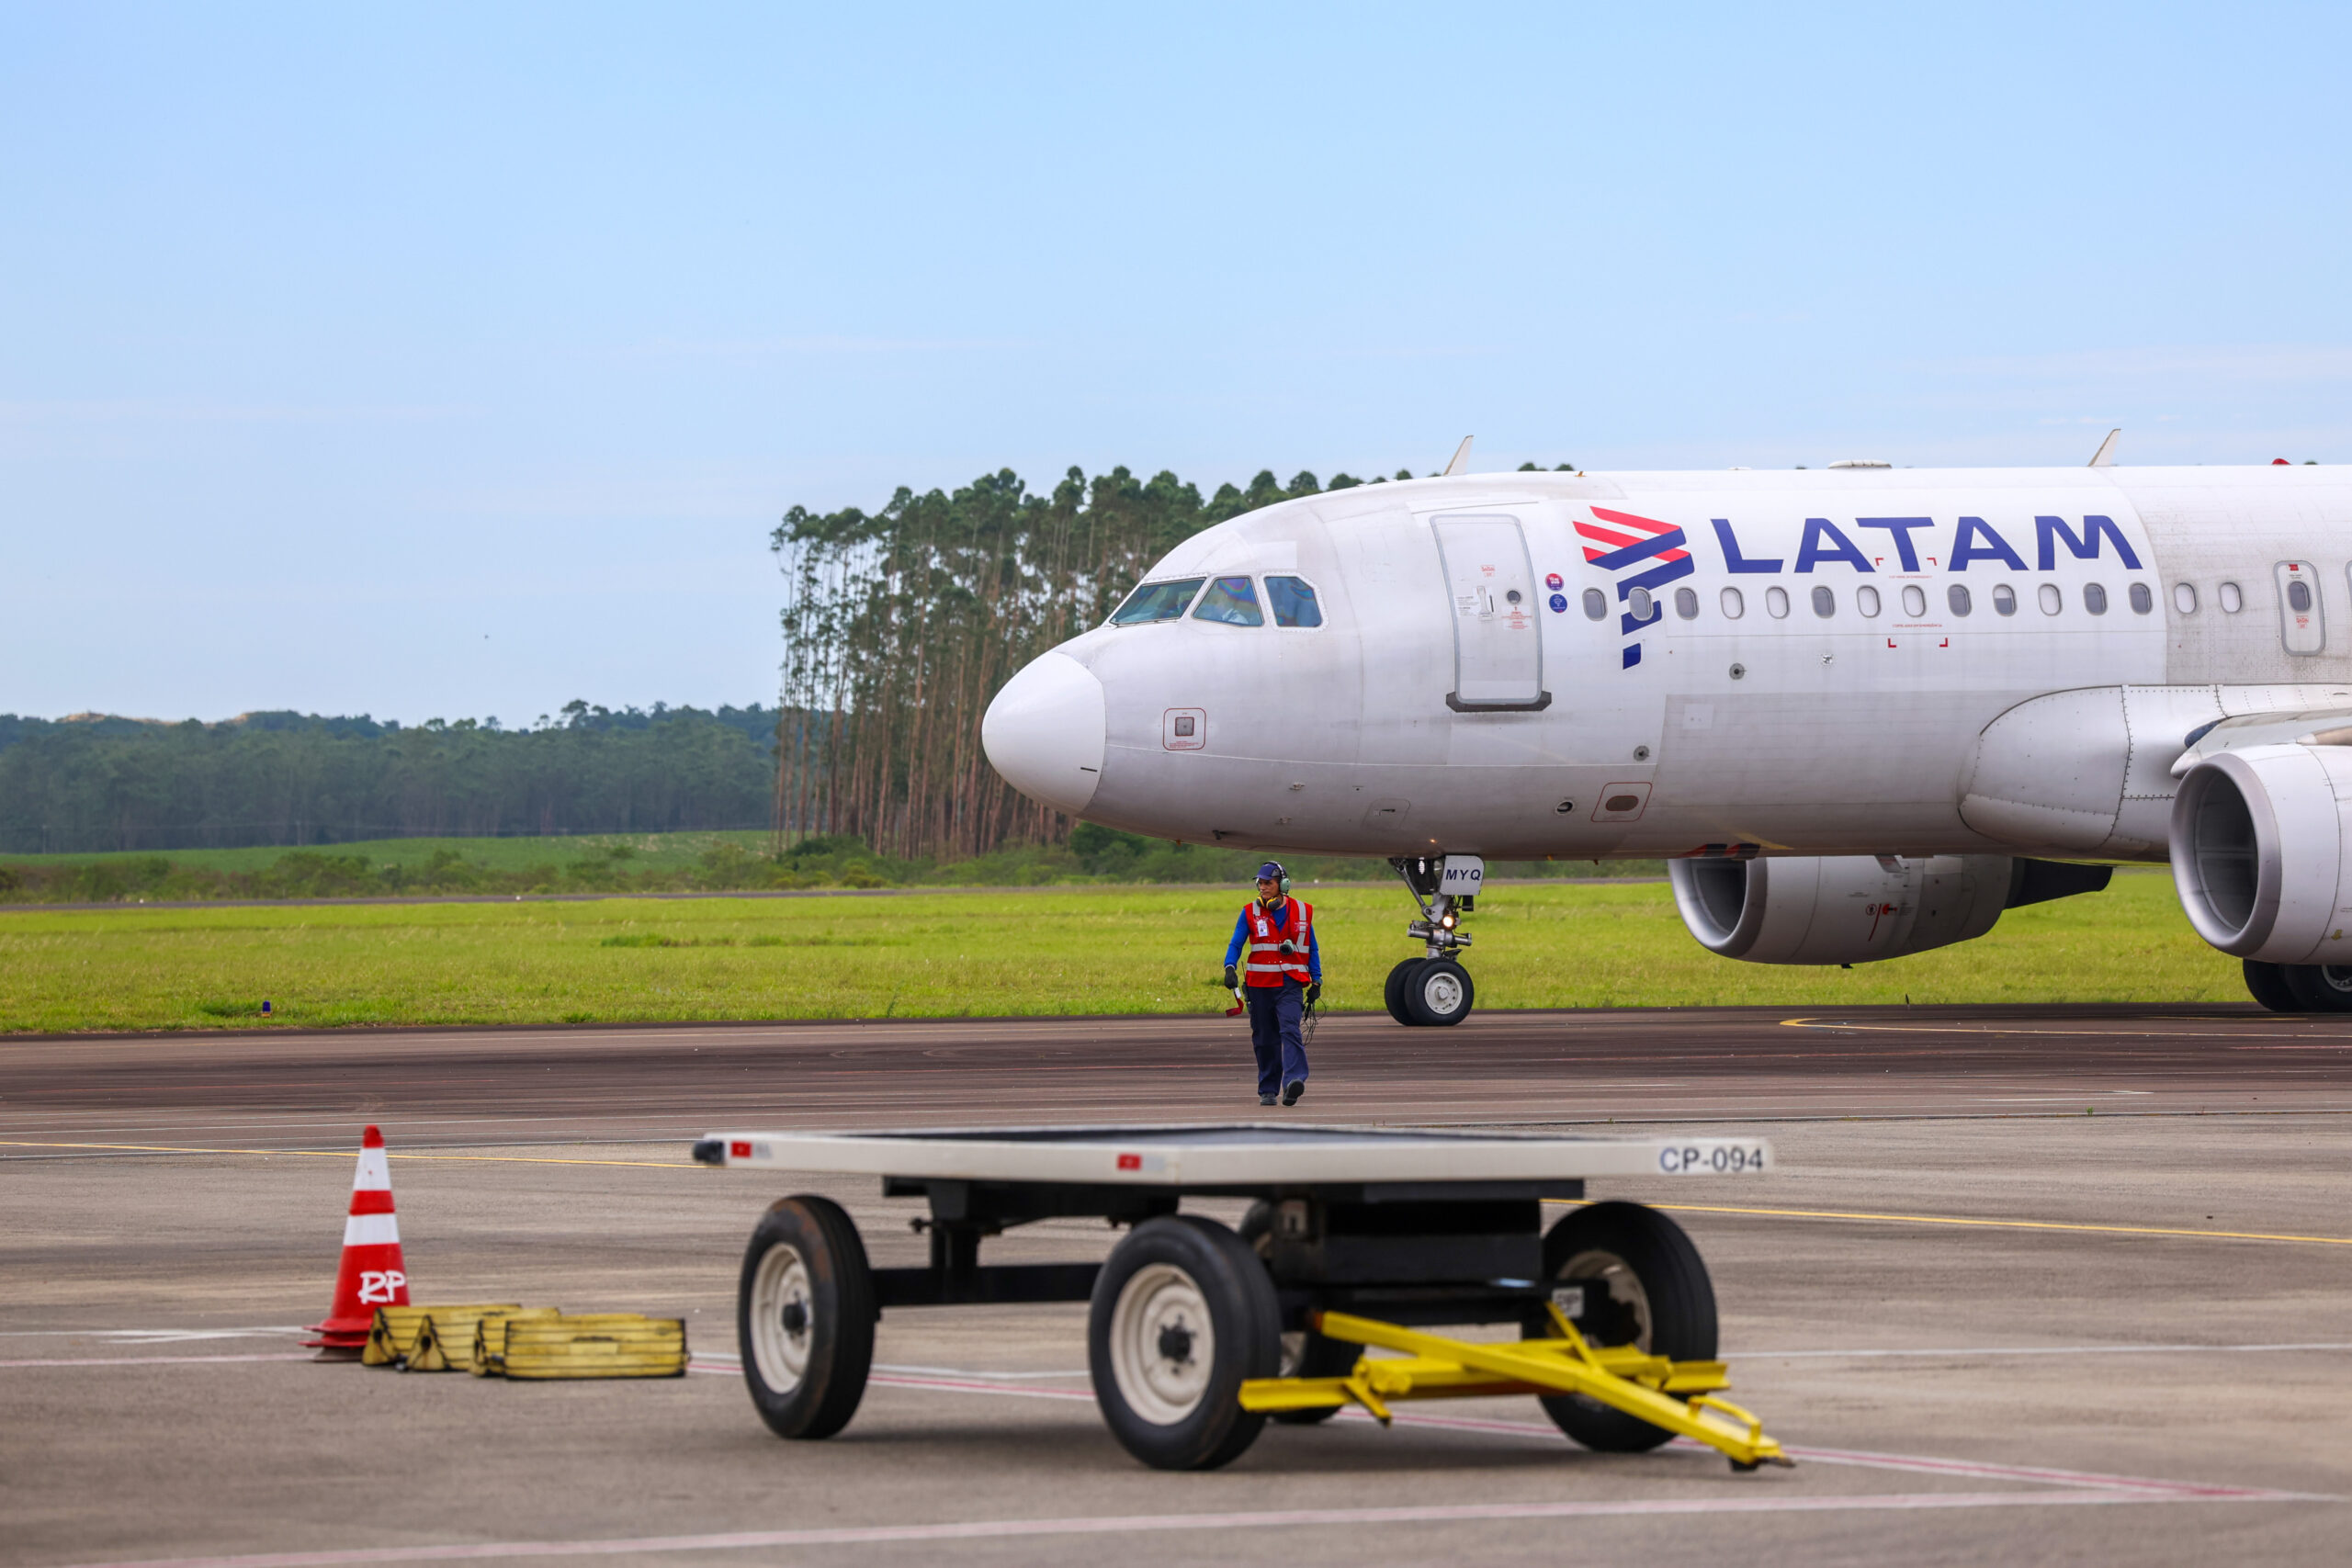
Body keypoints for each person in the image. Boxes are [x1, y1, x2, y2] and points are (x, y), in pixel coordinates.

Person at [1222, 861, 1320, 1107]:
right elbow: (1236, 943)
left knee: (1290, 1029)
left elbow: (1312, 947)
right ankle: (1267, 1089)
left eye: (1269, 883)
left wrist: (1316, 979)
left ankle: (1294, 1081)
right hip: (1260, 984)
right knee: (1265, 1038)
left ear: (1282, 885)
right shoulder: (1249, 912)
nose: (1263, 888)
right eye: (1261, 883)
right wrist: (1230, 967)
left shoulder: (1301, 911)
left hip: (1290, 983)